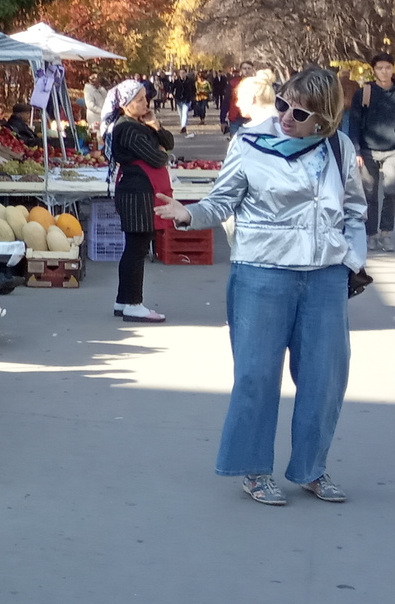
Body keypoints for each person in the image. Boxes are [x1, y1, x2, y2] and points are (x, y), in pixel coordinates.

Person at [155, 67, 366, 506]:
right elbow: (223, 199)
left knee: (325, 378)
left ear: (325, 118)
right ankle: (253, 470)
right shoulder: (250, 142)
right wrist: (189, 213)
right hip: (261, 273)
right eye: (284, 104)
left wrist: (351, 259)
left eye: (301, 112)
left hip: (324, 277)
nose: (287, 116)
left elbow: (354, 211)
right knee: (256, 375)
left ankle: (312, 468)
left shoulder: (339, 148)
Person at [102, 80, 175, 322]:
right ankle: (134, 302)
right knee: (137, 248)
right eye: (140, 99)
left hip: (140, 190)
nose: (146, 103)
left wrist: (155, 125)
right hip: (136, 192)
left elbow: (169, 143)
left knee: (134, 247)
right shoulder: (128, 128)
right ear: (125, 104)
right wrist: (160, 150)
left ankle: (123, 300)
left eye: (146, 98)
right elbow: (157, 157)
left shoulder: (139, 124)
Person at [345, 51, 395, 253]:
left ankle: (386, 233)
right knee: (369, 195)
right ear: (373, 70)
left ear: (393, 69)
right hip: (368, 150)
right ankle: (371, 235)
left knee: (391, 192)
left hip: (393, 150)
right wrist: (356, 149)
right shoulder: (365, 92)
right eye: (380, 68)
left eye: (388, 67)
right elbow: (355, 122)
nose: (384, 71)